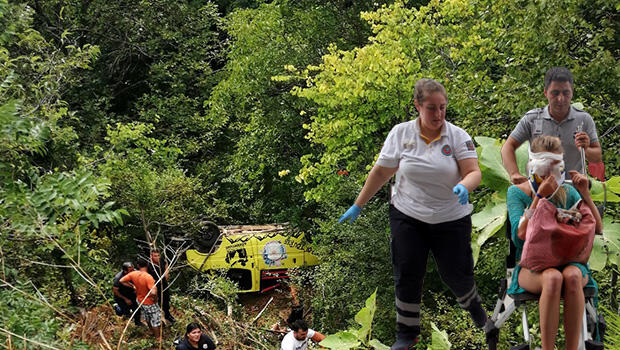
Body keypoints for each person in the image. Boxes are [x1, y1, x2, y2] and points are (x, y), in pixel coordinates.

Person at [338, 78, 486, 349]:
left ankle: (479, 314)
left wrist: (465, 186)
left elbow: (473, 171)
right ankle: (406, 335)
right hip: (408, 213)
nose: (438, 115)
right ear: (417, 106)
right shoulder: (400, 134)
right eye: (432, 108)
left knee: (456, 275)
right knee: (406, 269)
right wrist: (359, 204)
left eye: (443, 108)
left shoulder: (457, 136)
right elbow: (382, 172)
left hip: (450, 217)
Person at [506, 136, 603, 350]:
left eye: (555, 170)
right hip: (533, 265)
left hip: (569, 260)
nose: (550, 176)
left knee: (572, 275)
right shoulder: (517, 193)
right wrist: (539, 197)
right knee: (552, 278)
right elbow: (519, 234)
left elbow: (598, 228)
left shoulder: (568, 192)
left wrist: (585, 194)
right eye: (544, 171)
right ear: (532, 168)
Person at [501, 67, 603, 184]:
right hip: (540, 193)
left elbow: (597, 157)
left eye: (566, 93)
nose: (561, 98)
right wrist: (514, 173)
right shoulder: (532, 119)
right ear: (545, 93)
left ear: (572, 92)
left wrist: (585, 149)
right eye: (555, 93)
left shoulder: (584, 119)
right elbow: (507, 147)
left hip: (574, 194)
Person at [120, 258, 161, 339]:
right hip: (149, 302)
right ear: (147, 265)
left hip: (140, 300)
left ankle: (151, 332)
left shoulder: (133, 274)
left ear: (138, 265)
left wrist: (133, 286)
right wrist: (155, 299)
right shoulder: (148, 277)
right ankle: (157, 338)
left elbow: (122, 280)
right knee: (155, 320)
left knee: (147, 317)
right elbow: (153, 292)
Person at [148, 248, 175, 324]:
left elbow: (166, 265)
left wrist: (167, 273)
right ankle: (159, 319)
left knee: (166, 300)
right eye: (155, 256)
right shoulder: (148, 264)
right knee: (157, 302)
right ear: (151, 256)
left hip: (164, 284)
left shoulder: (162, 260)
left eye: (158, 255)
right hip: (155, 286)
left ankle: (167, 315)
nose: (157, 257)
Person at [112, 262, 143, 326]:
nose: (133, 272)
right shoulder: (118, 278)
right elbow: (115, 291)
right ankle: (118, 308)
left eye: (133, 269)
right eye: (130, 271)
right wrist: (125, 299)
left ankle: (137, 322)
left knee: (137, 308)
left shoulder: (135, 273)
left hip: (131, 294)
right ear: (125, 271)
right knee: (124, 312)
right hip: (121, 296)